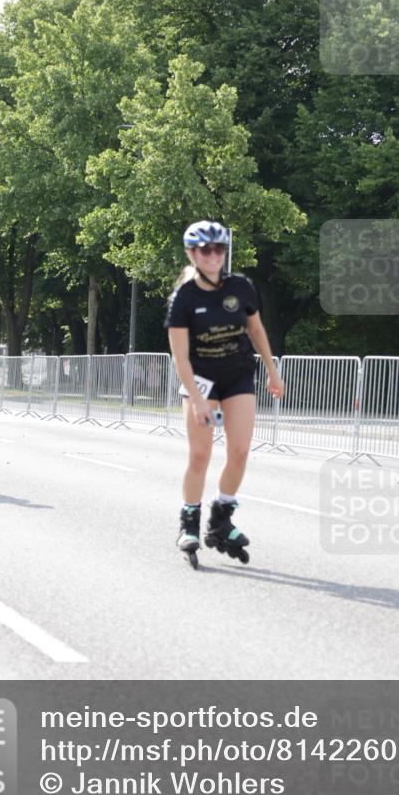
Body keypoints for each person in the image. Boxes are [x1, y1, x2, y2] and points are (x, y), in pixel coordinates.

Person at [165, 220, 284, 566]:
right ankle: (189, 523)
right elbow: (180, 357)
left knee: (240, 451)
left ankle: (221, 518)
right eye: (205, 250)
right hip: (200, 379)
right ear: (192, 253)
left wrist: (273, 371)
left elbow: (256, 330)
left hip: (237, 376)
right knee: (200, 455)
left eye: (219, 248)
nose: (213, 255)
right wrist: (197, 400)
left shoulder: (241, 287)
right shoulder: (183, 298)